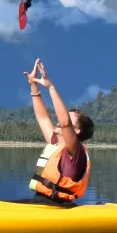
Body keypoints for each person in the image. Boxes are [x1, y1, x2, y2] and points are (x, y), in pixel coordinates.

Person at [23, 59, 94, 205]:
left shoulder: (75, 152)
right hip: (41, 201)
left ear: (77, 131)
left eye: (68, 118)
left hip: (58, 206)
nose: (59, 121)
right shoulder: (56, 143)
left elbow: (65, 123)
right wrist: (33, 85)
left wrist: (50, 87)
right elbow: (42, 118)